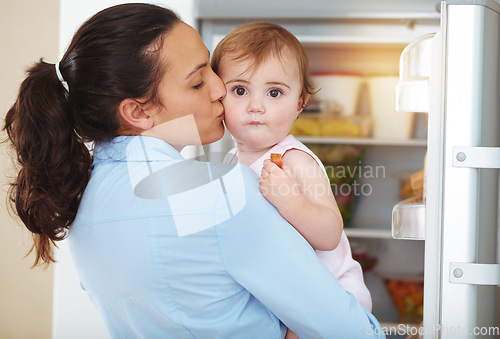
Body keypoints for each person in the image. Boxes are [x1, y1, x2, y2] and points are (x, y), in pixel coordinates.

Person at [4, 3, 383, 338]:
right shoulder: (221, 191)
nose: (220, 89)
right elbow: (345, 329)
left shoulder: (82, 201)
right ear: (138, 112)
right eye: (199, 80)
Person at [211, 21, 372, 331]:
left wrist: (291, 201)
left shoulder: (294, 160)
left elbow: (328, 235)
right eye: (240, 90)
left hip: (331, 296)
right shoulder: (231, 163)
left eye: (274, 92)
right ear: (219, 98)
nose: (256, 106)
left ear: (300, 104)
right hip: (283, 296)